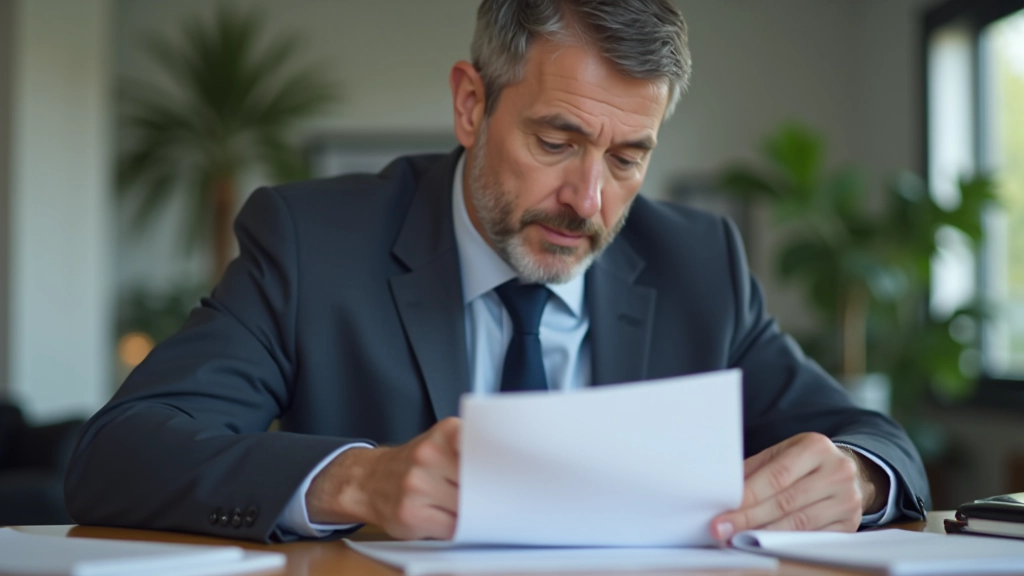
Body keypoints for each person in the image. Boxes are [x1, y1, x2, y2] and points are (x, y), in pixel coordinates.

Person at [65, 0, 929, 543]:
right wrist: (357, 479)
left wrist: (855, 476)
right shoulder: (312, 244)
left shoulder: (700, 264)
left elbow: (876, 441)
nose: (588, 200)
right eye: (556, 141)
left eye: (628, 157)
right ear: (471, 104)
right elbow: (117, 454)